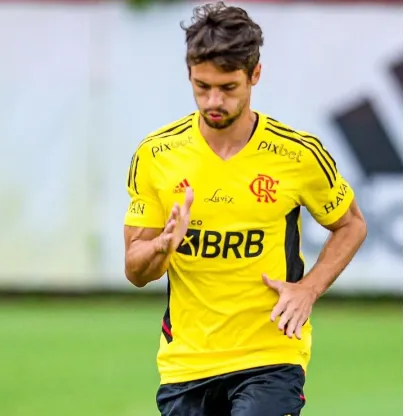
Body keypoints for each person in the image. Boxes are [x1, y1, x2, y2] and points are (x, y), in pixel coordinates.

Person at [122, 3, 368, 415]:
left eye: (228, 87)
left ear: (255, 75)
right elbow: (135, 270)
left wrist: (309, 289)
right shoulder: (156, 155)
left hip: (270, 355)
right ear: (189, 75)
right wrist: (162, 247)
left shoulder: (298, 155)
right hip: (186, 362)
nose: (213, 100)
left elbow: (351, 225)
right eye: (202, 86)